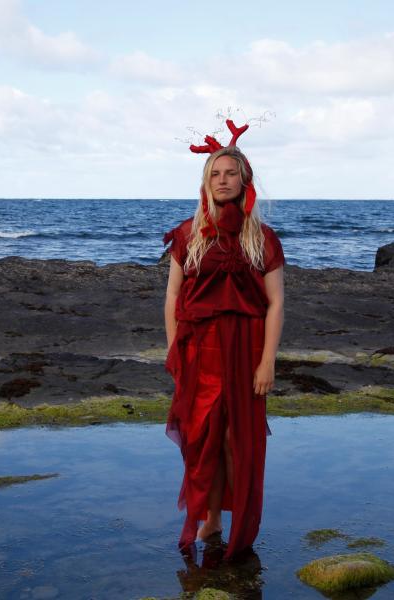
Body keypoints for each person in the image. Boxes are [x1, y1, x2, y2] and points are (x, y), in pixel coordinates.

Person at [163, 120, 285, 560]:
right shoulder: (187, 235)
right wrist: (175, 350)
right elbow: (174, 297)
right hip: (199, 349)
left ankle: (235, 522)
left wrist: (267, 362)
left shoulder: (262, 239)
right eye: (215, 174)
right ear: (205, 181)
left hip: (247, 347)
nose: (222, 180)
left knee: (238, 440)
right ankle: (210, 518)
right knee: (202, 439)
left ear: (245, 179)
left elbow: (275, 304)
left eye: (230, 173)